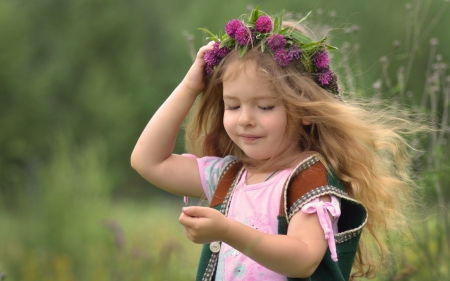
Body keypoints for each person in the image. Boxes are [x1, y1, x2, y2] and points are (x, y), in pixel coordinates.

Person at [131, 7, 419, 281]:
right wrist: (190, 87)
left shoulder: (307, 179)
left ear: (304, 111)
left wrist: (228, 231)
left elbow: (304, 258)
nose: (245, 119)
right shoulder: (229, 177)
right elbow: (148, 161)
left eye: (265, 107)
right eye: (232, 106)